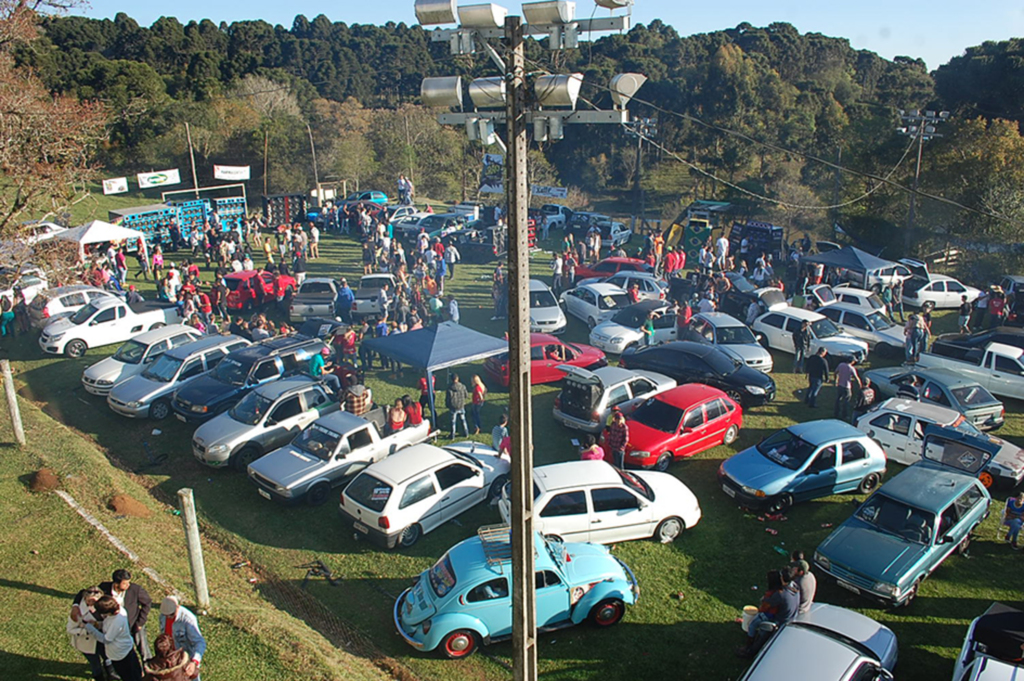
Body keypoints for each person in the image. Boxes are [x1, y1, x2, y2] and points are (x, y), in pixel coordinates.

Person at [739, 567, 800, 658]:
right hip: (791, 618)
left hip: (779, 621)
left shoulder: (781, 594)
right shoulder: (795, 587)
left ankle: (749, 650)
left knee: (753, 625)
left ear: (782, 578)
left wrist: (764, 599)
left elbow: (765, 606)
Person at [84, 596, 143, 681]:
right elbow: (106, 623)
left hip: (119, 655)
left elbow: (106, 640)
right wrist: (97, 624)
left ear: (108, 612)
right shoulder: (119, 610)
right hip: (127, 649)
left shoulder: (116, 622)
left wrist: (89, 627)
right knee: (135, 673)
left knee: (129, 677)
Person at [101, 569, 152, 660]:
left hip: (133, 625)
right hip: (115, 627)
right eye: (125, 583)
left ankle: (149, 670)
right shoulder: (104, 589)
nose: (128, 585)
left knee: (144, 651)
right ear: (116, 584)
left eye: (128, 582)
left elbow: (147, 603)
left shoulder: (135, 589)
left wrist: (140, 623)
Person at [157, 596, 205, 680]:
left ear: (178, 607)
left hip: (186, 661)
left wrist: (194, 662)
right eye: (166, 615)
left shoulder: (187, 619)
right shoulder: (163, 616)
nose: (169, 617)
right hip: (171, 659)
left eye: (171, 614)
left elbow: (199, 642)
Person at [68, 586, 105, 680]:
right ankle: (99, 677)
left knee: (108, 658)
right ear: (84, 598)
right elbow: (70, 629)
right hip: (87, 642)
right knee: (95, 663)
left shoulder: (104, 607)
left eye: (95, 601)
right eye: (90, 601)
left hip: (102, 638)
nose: (93, 603)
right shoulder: (77, 612)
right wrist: (87, 630)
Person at [834, 357, 861, 423]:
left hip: (840, 385)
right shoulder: (851, 368)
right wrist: (860, 385)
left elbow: (835, 372)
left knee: (838, 399)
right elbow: (856, 377)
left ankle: (836, 413)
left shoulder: (841, 365)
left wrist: (836, 380)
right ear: (852, 361)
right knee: (846, 401)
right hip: (847, 386)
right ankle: (844, 415)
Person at [446, 373, 469, 438]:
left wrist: (448, 405)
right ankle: (466, 432)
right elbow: (466, 395)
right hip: (461, 405)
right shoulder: (462, 386)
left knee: (453, 421)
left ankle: (452, 435)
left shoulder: (450, 388)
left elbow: (448, 398)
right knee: (463, 420)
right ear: (457, 379)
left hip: (453, 406)